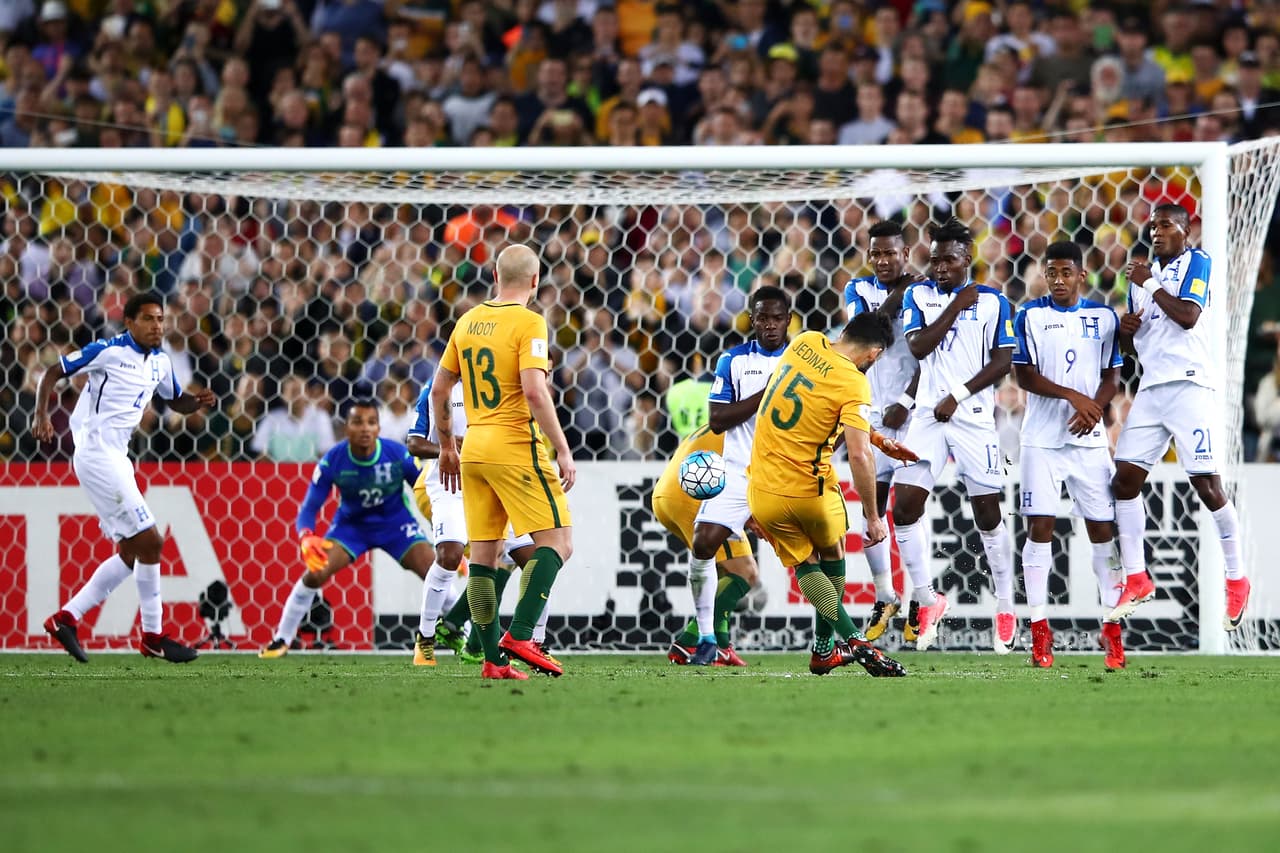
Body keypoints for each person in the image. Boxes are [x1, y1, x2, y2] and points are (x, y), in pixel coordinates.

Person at [37, 292, 215, 664]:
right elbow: (53, 373)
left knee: (135, 553)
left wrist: (196, 402)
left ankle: (65, 618)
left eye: (160, 319)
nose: (156, 326)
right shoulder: (108, 351)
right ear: (130, 322)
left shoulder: (161, 363)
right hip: (96, 453)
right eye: (148, 319)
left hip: (120, 457)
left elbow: (175, 400)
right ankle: (153, 636)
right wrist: (41, 416)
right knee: (151, 541)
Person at [431, 244, 575, 680]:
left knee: (484, 556)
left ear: (495, 274)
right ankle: (522, 635)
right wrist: (563, 448)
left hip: (472, 447)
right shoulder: (530, 321)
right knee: (558, 543)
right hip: (515, 444)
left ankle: (493, 661)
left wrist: (446, 448)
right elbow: (534, 391)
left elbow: (439, 390)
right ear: (535, 280)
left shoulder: (468, 320)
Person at [1111, 204, 1250, 630]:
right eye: (1152, 226)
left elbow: (1188, 317)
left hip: (1190, 385)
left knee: (1206, 485)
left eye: (1166, 225)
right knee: (1123, 481)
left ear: (1186, 230)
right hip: (1153, 388)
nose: (1156, 232)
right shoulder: (1141, 276)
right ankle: (1136, 576)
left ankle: (1236, 578)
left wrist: (1149, 283)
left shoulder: (1197, 262)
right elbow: (1146, 339)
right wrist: (1127, 332)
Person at [746, 315, 908, 677]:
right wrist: (873, 516)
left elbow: (810, 401)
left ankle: (824, 651)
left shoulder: (804, 341)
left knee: (808, 563)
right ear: (874, 355)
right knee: (832, 552)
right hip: (809, 491)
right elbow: (859, 453)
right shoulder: (853, 381)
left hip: (762, 490)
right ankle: (855, 639)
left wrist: (878, 437)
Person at [892, 218, 1017, 652]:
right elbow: (919, 347)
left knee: (986, 513)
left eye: (949, 259)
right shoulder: (917, 295)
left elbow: (1003, 361)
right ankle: (927, 599)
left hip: (974, 416)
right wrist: (954, 307)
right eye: (934, 259)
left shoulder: (994, 302)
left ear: (968, 259)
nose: (940, 267)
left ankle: (1005, 603)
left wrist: (959, 395)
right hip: (927, 415)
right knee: (904, 508)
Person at [1012, 241, 1125, 669]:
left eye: (1066, 272)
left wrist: (1093, 407)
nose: (1058, 280)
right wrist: (1075, 397)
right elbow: (1024, 375)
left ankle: (1112, 630)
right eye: (1051, 272)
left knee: (1102, 531)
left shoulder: (1103, 317)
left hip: (1088, 441)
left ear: (1082, 275)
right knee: (1040, 527)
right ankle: (1040, 632)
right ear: (1044, 275)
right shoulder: (1031, 316)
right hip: (1041, 440)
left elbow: (1113, 373)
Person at [258, 401, 432, 658]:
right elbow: (309, 508)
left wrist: (445, 535)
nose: (365, 428)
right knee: (315, 573)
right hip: (352, 527)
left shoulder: (396, 453)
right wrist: (306, 537)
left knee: (437, 571)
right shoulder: (334, 460)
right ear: (346, 428)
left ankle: (463, 634)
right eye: (357, 422)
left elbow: (426, 494)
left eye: (371, 422)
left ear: (378, 428)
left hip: (396, 524)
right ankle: (281, 638)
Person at [405, 376, 548, 667]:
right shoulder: (434, 389)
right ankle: (426, 637)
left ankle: (534, 643)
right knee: (450, 554)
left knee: (536, 559)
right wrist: (447, 449)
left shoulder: (498, 388)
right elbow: (414, 443)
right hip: (449, 487)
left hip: (492, 486)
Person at [688, 286, 791, 666]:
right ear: (752, 319)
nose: (769, 325)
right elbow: (717, 419)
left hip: (784, 472)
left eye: (776, 318)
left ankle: (832, 639)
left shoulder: (802, 361)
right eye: (762, 317)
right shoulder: (732, 360)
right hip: (737, 472)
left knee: (816, 552)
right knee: (703, 545)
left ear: (788, 320)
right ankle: (705, 637)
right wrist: (768, 393)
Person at [843, 219, 921, 640]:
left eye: (891, 252)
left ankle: (915, 601)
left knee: (908, 514)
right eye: (876, 253)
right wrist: (902, 292)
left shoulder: (925, 292)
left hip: (911, 418)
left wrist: (906, 402)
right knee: (871, 512)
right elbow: (868, 335)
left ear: (905, 254)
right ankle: (884, 595)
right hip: (868, 417)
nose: (883, 259)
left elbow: (931, 357)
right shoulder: (857, 290)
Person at [653, 422, 755, 665]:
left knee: (723, 572)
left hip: (668, 493)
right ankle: (692, 642)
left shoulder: (734, 416)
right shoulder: (758, 424)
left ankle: (720, 644)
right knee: (744, 572)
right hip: (697, 498)